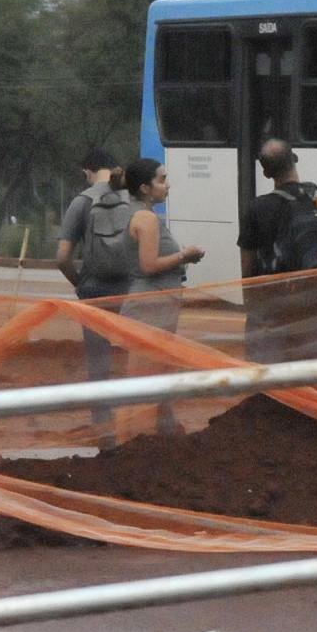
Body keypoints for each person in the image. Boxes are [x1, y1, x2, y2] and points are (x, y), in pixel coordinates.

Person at [55, 148, 139, 434]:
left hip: (95, 289)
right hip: (132, 288)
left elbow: (62, 258)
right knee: (135, 352)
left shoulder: (82, 202)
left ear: (87, 172)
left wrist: (80, 284)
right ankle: (139, 415)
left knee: (98, 357)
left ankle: (103, 422)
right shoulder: (134, 199)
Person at [119, 157, 205, 434]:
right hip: (150, 306)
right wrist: (184, 256)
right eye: (162, 179)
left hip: (155, 305)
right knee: (148, 376)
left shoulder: (142, 214)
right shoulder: (145, 218)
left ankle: (157, 433)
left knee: (156, 374)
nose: (167, 185)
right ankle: (142, 436)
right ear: (145, 188)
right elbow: (148, 265)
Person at [237, 140, 317, 363]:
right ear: (294, 160)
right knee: (314, 375)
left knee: (270, 378)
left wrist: (252, 311)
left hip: (273, 308)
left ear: (265, 173)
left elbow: (247, 268)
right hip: (315, 305)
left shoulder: (257, 208)